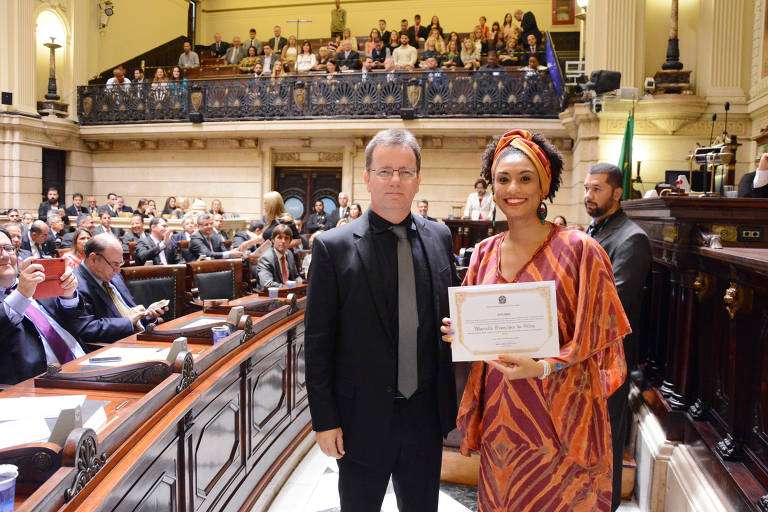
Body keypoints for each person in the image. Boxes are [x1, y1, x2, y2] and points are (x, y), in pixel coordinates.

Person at [445, 129, 629, 511]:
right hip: (503, 414)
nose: (513, 188)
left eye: (525, 178)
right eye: (503, 179)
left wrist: (544, 367)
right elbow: (477, 326)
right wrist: (460, 331)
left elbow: (601, 335)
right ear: (492, 187)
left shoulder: (581, 250)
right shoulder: (483, 253)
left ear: (544, 185)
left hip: (563, 415)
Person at [305, 128, 459, 511]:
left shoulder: (440, 236)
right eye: (385, 171)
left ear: (418, 179)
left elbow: (450, 313)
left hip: (425, 415)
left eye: (405, 172)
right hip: (360, 418)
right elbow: (318, 344)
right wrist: (324, 421)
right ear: (367, 177)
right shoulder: (333, 247)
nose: (395, 180)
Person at [584, 163, 652, 511]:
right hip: (583, 354)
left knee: (605, 443)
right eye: (586, 188)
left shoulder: (632, 238)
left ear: (617, 192)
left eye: (596, 189)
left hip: (610, 360)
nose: (588, 195)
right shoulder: (593, 230)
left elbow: (614, 304)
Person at [0, 227, 86, 385]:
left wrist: (69, 296)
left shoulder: (37, 281)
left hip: (84, 363)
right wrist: (21, 294)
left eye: (8, 248)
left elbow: (79, 323)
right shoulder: (26, 286)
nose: (5, 255)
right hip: (37, 384)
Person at [74, 234, 167, 343]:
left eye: (120, 264)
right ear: (93, 258)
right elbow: (87, 329)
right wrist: (127, 322)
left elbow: (128, 310)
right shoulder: (75, 286)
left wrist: (146, 316)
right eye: (114, 264)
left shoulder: (114, 275)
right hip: (117, 346)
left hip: (141, 338)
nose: (118, 270)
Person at [255, 224, 299, 290]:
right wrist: (288, 287)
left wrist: (301, 284)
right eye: (279, 238)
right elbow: (267, 284)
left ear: (290, 241)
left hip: (288, 292)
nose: (283, 241)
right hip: (271, 294)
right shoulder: (266, 258)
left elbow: (295, 277)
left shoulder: (289, 254)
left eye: (286, 238)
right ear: (273, 240)